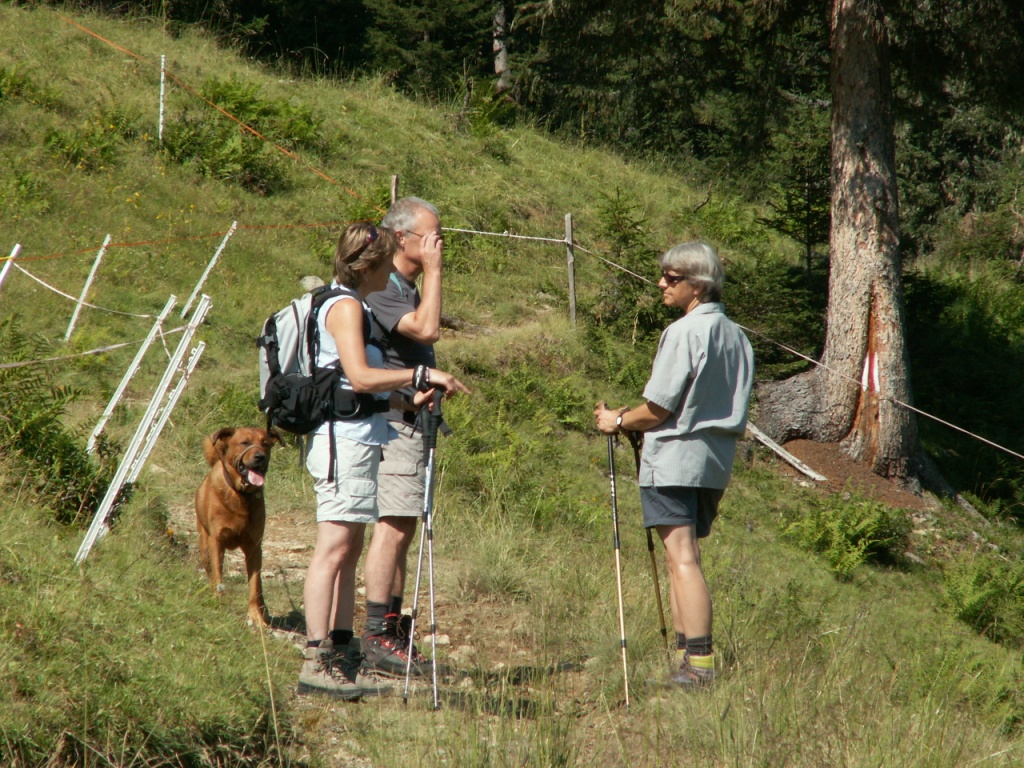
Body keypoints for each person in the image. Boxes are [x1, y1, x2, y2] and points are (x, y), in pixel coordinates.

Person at [298, 221, 468, 701]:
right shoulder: (347, 306)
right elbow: (359, 374)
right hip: (341, 439)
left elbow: (351, 383)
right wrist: (417, 371)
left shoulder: (355, 306)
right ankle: (316, 659)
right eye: (388, 258)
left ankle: (343, 654)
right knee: (333, 548)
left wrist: (405, 400)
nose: (394, 266)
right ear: (371, 267)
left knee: (348, 548)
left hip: (359, 434)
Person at [594, 241, 753, 689]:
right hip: (714, 462)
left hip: (675, 458)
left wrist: (618, 420)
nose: (662, 284)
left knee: (682, 557)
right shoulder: (737, 336)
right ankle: (687, 655)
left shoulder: (683, 333)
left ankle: (699, 665)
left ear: (697, 285)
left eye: (672, 278)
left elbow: (659, 409)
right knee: (683, 555)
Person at [361, 197, 449, 677]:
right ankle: (376, 633)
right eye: (430, 236)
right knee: (392, 527)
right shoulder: (384, 286)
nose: (438, 244)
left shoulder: (405, 286)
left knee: (404, 525)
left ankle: (392, 629)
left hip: (412, 420)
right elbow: (427, 329)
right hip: (393, 423)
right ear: (401, 238)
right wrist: (435, 271)